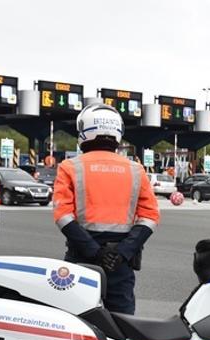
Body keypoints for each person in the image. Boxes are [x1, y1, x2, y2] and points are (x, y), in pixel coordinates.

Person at [53, 104, 160, 315]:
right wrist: (123, 252)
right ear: (117, 132)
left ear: (84, 130)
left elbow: (62, 215)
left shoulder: (70, 166)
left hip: (83, 255)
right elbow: (150, 216)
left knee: (75, 320)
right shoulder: (136, 170)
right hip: (120, 259)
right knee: (122, 323)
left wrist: (95, 252)